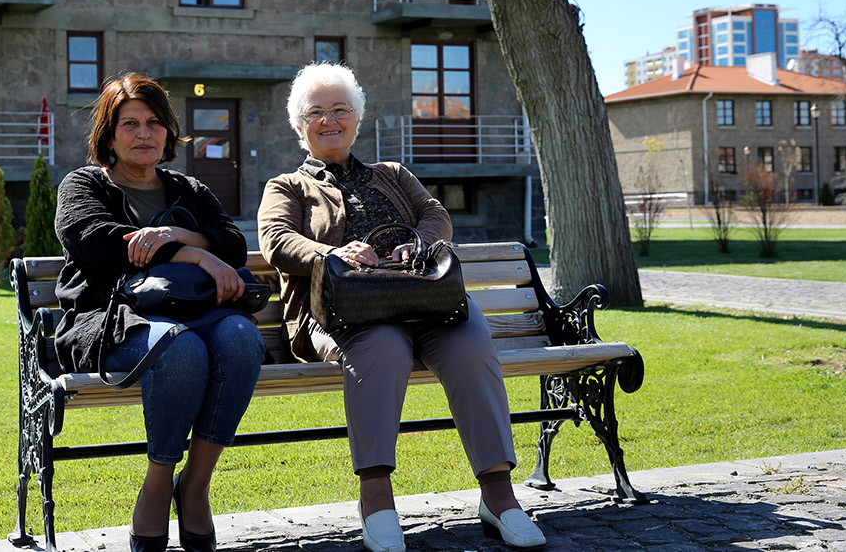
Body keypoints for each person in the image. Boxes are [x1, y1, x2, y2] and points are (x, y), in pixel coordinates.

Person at [257, 63, 547, 552]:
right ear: (299, 124)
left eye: (340, 110)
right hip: (342, 313)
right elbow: (275, 240)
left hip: (425, 303)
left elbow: (435, 214)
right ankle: (377, 501)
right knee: (383, 349)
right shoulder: (286, 187)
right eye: (316, 113)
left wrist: (419, 244)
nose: (330, 121)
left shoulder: (393, 174)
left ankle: (499, 496)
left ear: (357, 118)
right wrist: (333, 252)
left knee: (472, 345)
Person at [54, 72, 265, 552]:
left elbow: (233, 243)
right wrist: (194, 254)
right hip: (111, 321)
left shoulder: (187, 187)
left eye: (153, 123)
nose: (143, 134)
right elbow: (95, 244)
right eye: (129, 124)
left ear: (169, 131)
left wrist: (177, 237)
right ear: (108, 134)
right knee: (180, 348)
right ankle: (156, 484)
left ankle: (195, 485)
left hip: (196, 312)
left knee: (241, 339)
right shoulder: (83, 185)